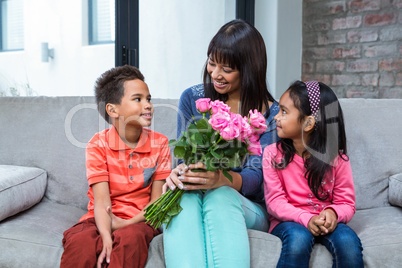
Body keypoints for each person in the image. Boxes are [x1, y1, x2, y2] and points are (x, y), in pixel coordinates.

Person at [163, 19, 279, 267]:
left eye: (226, 69)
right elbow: (184, 158)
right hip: (197, 192)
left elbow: (260, 180)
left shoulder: (270, 115)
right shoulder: (192, 98)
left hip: (248, 205)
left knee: (220, 196)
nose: (215, 74)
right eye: (212, 63)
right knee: (182, 197)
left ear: (249, 69)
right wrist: (180, 172)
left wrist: (220, 180)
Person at [60, 65, 171, 268]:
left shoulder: (160, 144)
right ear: (113, 109)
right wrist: (106, 235)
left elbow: (157, 204)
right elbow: (102, 202)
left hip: (140, 220)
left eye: (149, 99)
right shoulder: (97, 144)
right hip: (100, 216)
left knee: (131, 240)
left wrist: (126, 223)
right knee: (80, 242)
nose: (148, 105)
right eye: (138, 99)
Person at [263, 80, 364, 267]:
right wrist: (306, 219)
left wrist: (333, 213)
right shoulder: (272, 154)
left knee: (348, 242)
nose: (276, 117)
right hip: (290, 222)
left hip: (326, 223)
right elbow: (275, 202)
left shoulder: (338, 160)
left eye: (284, 112)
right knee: (298, 238)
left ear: (308, 123)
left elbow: (346, 204)